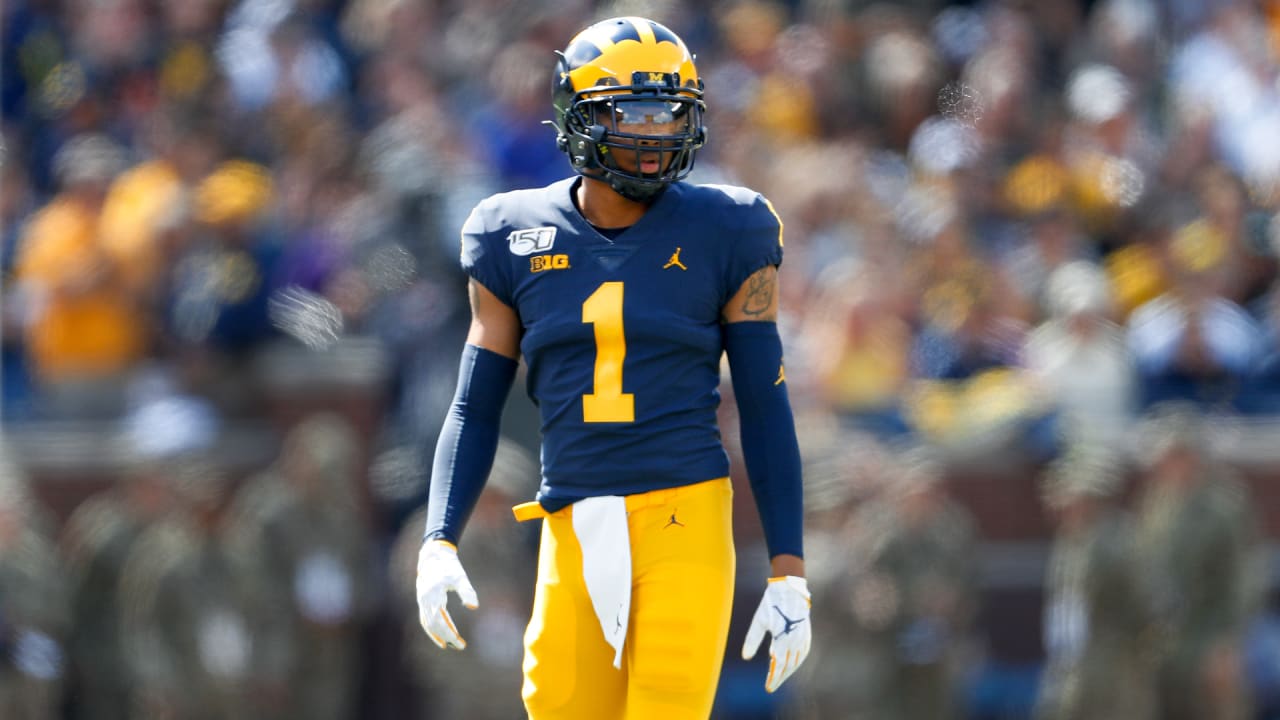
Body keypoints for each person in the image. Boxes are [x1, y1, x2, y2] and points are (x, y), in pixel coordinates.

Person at [414, 16, 810, 719]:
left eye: (670, 114)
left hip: (684, 517)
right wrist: (439, 537)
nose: (654, 134)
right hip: (570, 518)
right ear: (577, 114)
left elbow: (764, 401)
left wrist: (789, 569)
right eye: (633, 112)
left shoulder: (732, 228)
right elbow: (474, 405)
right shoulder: (509, 232)